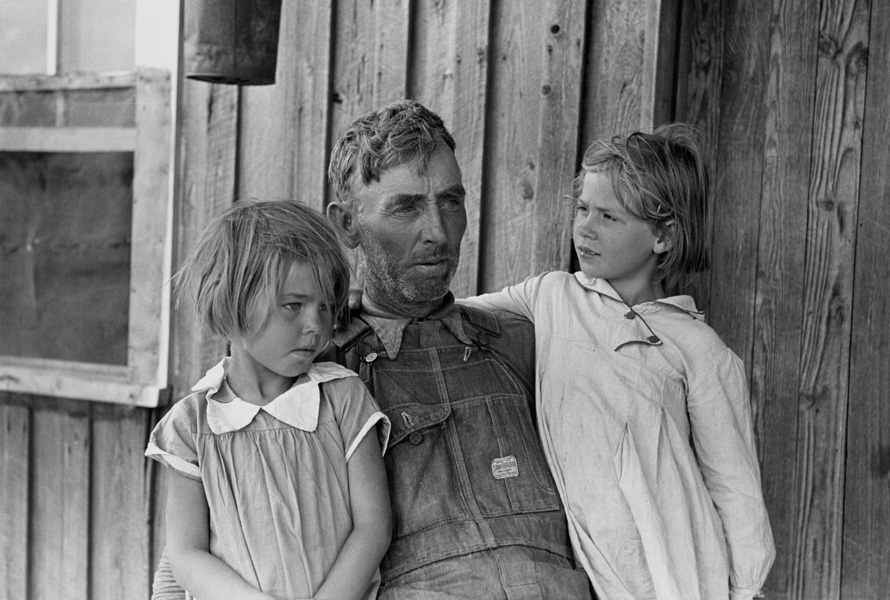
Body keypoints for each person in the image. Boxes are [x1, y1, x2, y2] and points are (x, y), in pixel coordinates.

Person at [149, 100, 592, 600]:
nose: (439, 233)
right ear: (347, 225)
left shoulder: (522, 343)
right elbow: (200, 545)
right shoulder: (316, 376)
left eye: (451, 201)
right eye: (406, 207)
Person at [461, 125, 776, 600]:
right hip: (581, 558)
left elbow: (735, 488)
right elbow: (456, 314)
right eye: (583, 208)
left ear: (663, 236)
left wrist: (747, 588)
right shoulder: (551, 295)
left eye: (608, 216)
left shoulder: (698, 349)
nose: (585, 228)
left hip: (676, 562)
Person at [145, 199, 391, 600]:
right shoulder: (191, 427)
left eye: (325, 306)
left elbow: (374, 526)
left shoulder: (343, 400)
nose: (315, 325)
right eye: (293, 306)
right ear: (233, 307)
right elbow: (186, 554)